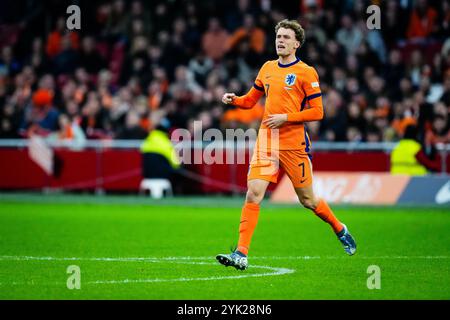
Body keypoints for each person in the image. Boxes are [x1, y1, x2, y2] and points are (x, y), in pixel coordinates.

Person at [216, 19, 356, 271]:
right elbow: (251, 100)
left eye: (286, 37)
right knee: (253, 193)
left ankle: (339, 228)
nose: (280, 40)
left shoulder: (306, 72)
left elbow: (318, 112)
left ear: (296, 44)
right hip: (267, 141)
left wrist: (286, 117)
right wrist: (235, 99)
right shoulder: (267, 68)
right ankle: (241, 253)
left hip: (294, 144)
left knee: (308, 201)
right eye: (278, 36)